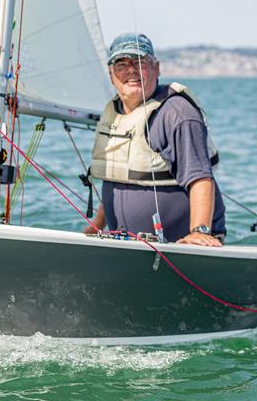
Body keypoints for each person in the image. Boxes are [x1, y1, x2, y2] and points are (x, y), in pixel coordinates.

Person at [83, 33, 226, 247]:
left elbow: (200, 178)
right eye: (122, 64)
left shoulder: (176, 113)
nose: (131, 70)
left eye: (140, 62)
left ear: (156, 68)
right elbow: (119, 174)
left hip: (179, 248)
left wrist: (199, 231)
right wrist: (96, 225)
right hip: (124, 245)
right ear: (111, 75)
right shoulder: (115, 113)